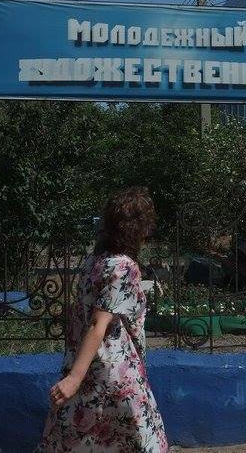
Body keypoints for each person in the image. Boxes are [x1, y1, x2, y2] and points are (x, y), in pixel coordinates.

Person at [38, 187, 169, 453]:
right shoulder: (123, 267)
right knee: (141, 439)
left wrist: (75, 373)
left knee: (79, 439)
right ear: (139, 228)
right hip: (113, 369)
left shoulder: (94, 261)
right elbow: (99, 324)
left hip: (85, 362)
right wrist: (74, 379)